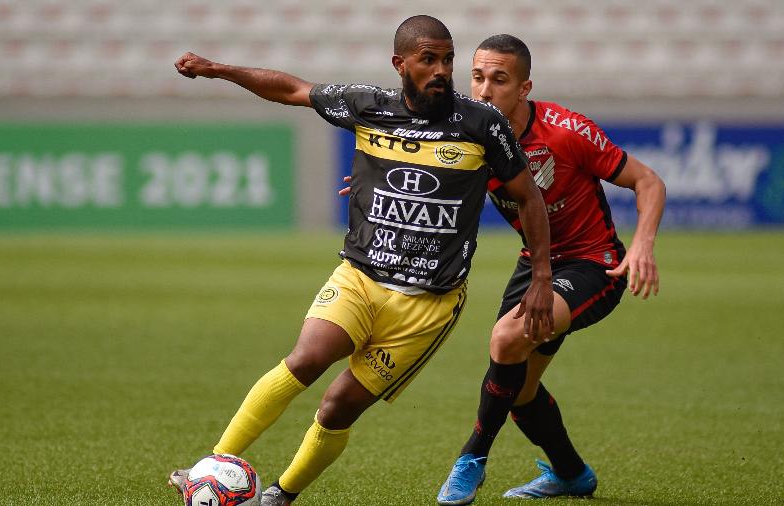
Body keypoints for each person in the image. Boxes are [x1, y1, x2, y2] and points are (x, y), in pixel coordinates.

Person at [168, 17, 555, 506]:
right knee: (304, 361)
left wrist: (542, 275)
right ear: (401, 64)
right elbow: (292, 89)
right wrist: (215, 68)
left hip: (426, 307)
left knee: (337, 408)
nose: (442, 70)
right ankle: (211, 467)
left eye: (448, 60)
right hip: (360, 279)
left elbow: (530, 197)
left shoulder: (482, 123)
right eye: (428, 59)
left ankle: (281, 496)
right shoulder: (369, 106)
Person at [434, 34, 666, 504]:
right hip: (537, 261)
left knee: (504, 339)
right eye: (477, 77)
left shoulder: (564, 130)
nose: (483, 91)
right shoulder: (466, 131)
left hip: (593, 264)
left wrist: (641, 246)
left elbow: (648, 181)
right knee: (518, 389)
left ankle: (471, 459)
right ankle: (571, 474)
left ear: (524, 88)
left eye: (499, 80)